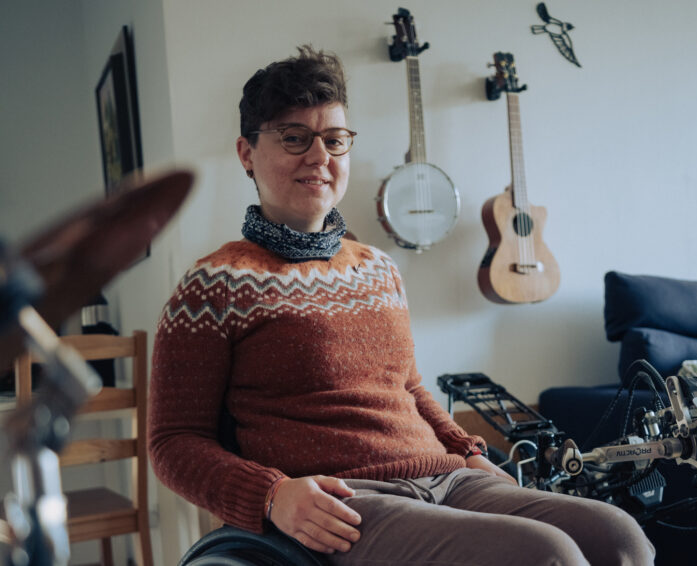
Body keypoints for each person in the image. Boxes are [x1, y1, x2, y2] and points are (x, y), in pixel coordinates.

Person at [148, 45, 654, 566]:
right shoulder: (216, 284)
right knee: (544, 554)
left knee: (619, 536)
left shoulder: (379, 268)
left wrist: (469, 453)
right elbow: (173, 442)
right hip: (345, 501)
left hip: (447, 478)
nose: (319, 157)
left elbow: (407, 388)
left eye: (335, 140)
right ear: (246, 153)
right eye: (294, 138)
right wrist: (271, 495)